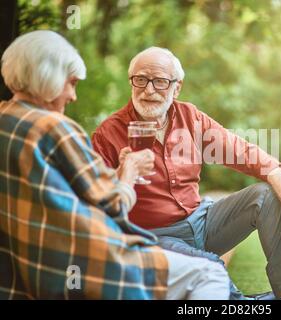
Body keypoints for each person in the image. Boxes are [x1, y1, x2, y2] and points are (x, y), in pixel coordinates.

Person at [0, 30, 230, 300]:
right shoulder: (56, 129)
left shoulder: (6, 119)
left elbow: (82, 194)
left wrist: (120, 173)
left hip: (26, 268)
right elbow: (111, 206)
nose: (73, 96)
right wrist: (130, 170)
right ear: (47, 78)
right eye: (71, 83)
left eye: (159, 82)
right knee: (210, 273)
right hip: (87, 259)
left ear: (175, 88)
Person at [92, 47, 281, 300]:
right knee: (209, 266)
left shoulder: (191, 118)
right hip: (152, 236)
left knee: (266, 195)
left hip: (201, 221)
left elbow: (256, 159)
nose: (149, 90)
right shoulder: (108, 133)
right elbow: (97, 206)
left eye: (160, 82)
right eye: (141, 80)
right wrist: (123, 174)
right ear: (131, 82)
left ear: (176, 88)